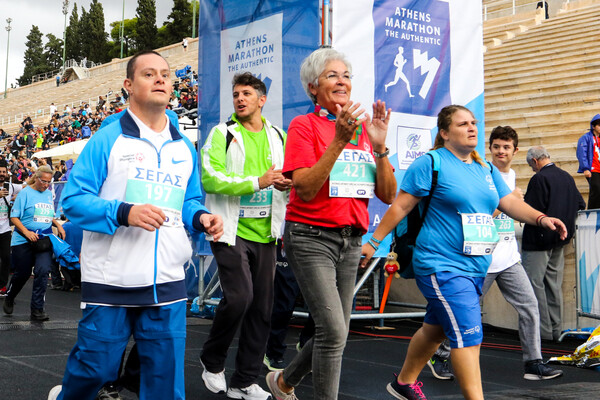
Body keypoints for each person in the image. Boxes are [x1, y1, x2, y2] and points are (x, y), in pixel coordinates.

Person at [47, 50, 223, 400]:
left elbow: (187, 201)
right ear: (128, 85)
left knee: (164, 383)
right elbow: (73, 200)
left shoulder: (184, 147)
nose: (160, 79)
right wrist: (124, 212)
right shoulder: (108, 138)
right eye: (149, 74)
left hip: (168, 283)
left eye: (166, 74)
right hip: (113, 280)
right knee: (94, 369)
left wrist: (201, 218)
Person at [360, 105, 568, 400]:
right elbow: (402, 206)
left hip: (475, 266)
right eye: (463, 124)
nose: (472, 127)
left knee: (434, 330)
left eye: (473, 122)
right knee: (469, 336)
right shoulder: (431, 163)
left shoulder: (485, 169)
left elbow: (508, 202)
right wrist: (373, 242)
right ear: (444, 133)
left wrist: (540, 218)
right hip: (440, 265)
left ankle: (403, 383)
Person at [265, 47, 397, 400]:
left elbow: (387, 194)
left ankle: (282, 382)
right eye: (332, 75)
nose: (342, 81)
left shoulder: (365, 131)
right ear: (313, 87)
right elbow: (305, 189)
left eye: (346, 76)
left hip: (351, 241)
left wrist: (381, 147)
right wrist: (338, 140)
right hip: (310, 237)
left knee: (334, 332)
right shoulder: (303, 126)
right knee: (334, 331)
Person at [428, 126, 564, 382]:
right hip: (481, 259)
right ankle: (441, 354)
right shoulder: (481, 174)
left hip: (509, 258)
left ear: (515, 151)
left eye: (506, 147)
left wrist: (533, 215)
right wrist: (506, 204)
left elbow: (515, 211)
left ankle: (533, 363)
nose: (501, 152)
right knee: (465, 312)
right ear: (489, 148)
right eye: (497, 147)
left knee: (530, 306)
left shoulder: (512, 176)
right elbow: (480, 215)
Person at [199, 71, 290, 400]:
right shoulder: (221, 133)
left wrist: (286, 183)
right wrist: (258, 182)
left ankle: (245, 380)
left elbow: (286, 175)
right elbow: (210, 178)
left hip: (267, 233)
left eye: (247, 94)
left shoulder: (278, 135)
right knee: (239, 298)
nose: (239, 98)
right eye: (236, 94)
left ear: (261, 100)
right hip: (229, 230)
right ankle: (211, 359)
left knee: (263, 310)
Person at [522, 146, 585, 342]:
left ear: (534, 161)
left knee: (533, 285)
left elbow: (531, 211)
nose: (532, 170)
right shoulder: (566, 176)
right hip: (560, 238)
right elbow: (581, 204)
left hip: (539, 239)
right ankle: (556, 331)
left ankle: (542, 332)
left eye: (531, 166)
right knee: (553, 285)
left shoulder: (539, 178)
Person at [2, 165, 65, 321]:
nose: (45, 185)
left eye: (48, 182)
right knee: (22, 274)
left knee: (43, 271)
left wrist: (57, 225)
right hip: (23, 240)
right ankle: (10, 297)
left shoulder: (48, 194)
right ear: (36, 178)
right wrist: (27, 232)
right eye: (43, 181)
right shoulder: (25, 194)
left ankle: (37, 310)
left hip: (43, 240)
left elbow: (47, 215)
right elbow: (14, 218)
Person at [0, 161, 22, 296]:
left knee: (6, 257)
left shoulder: (10, 186)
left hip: (5, 229)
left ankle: (2, 285)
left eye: (3, 172)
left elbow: (26, 186)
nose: (2, 174)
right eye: (0, 171)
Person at [576, 114, 600, 209]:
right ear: (593, 126)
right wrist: (585, 168)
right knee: (597, 190)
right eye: (599, 125)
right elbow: (581, 154)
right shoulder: (586, 138)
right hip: (592, 169)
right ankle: (592, 212)